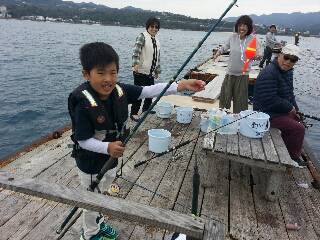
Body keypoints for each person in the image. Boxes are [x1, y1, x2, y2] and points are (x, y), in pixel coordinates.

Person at [68, 42, 205, 240]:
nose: (108, 79)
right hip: (90, 164)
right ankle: (89, 234)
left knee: (102, 194)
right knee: (91, 200)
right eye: (101, 73)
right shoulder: (83, 103)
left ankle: (97, 224)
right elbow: (82, 141)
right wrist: (107, 147)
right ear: (86, 75)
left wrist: (180, 86)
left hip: (112, 159)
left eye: (113, 72)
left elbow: (148, 90)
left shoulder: (119, 90)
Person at [253, 44, 306, 166]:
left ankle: (288, 148)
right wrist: (289, 108)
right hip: (265, 113)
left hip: (277, 111)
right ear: (279, 55)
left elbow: (290, 94)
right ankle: (292, 159)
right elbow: (269, 99)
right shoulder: (269, 72)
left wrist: (296, 109)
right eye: (286, 57)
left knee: (298, 120)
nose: (288, 62)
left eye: (292, 60)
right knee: (299, 129)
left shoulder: (287, 72)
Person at [213, 15, 262, 113]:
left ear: (249, 28)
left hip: (243, 75)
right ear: (237, 26)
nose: (242, 28)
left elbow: (259, 52)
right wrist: (218, 53)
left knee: (240, 102)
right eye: (240, 25)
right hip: (230, 73)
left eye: (245, 26)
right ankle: (222, 117)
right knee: (224, 99)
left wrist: (258, 56)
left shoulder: (253, 39)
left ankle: (239, 121)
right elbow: (225, 47)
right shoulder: (232, 37)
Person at [130, 17, 161, 122]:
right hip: (140, 71)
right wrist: (135, 64)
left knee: (150, 92)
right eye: (152, 26)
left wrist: (157, 71)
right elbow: (136, 51)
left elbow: (157, 57)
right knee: (139, 93)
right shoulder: (142, 36)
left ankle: (146, 109)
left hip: (150, 73)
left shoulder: (157, 41)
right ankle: (134, 113)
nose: (154, 29)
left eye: (156, 27)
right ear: (148, 27)